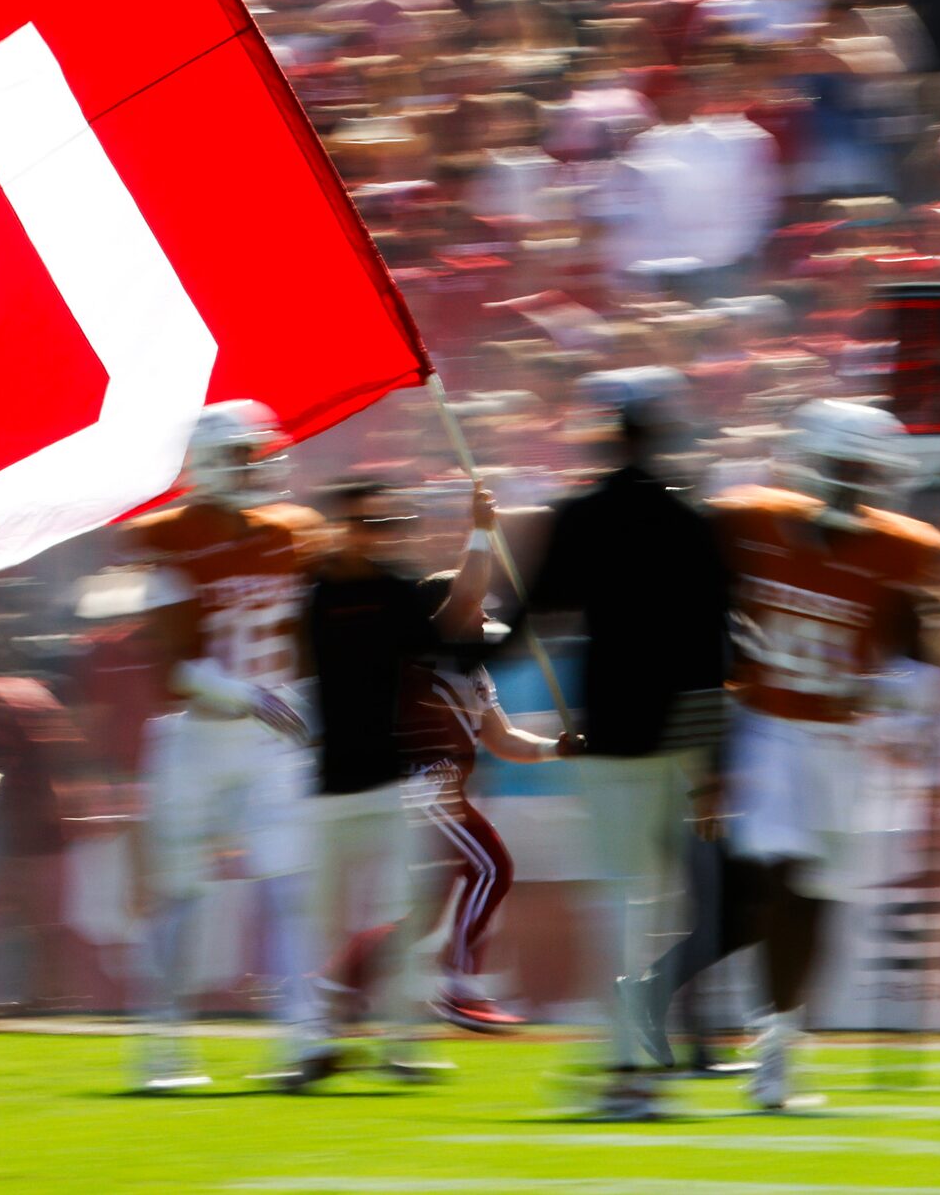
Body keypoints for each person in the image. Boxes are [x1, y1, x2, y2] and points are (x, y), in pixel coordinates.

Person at [708, 397, 940, 1110]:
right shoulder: (745, 522)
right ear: (812, 465)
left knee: (818, 895)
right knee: (779, 880)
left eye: (864, 472)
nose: (851, 486)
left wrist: (913, 692)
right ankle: (773, 1049)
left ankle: (786, 1034)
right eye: (842, 468)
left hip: (849, 740)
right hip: (770, 727)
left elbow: (924, 655)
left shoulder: (906, 549)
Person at [520, 366, 734, 1119]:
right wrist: (714, 768)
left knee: (620, 900)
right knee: (662, 902)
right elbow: (715, 654)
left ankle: (623, 1066)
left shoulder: (579, 515)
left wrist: (457, 651)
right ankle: (639, 1058)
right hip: (680, 741)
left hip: (609, 734)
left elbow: (528, 618)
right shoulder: (694, 523)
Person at [116, 401, 327, 1093]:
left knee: (292, 888)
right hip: (198, 741)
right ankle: (163, 1045)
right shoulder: (172, 539)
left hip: (273, 743)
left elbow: (303, 637)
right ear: (210, 465)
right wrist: (251, 696)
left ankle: (303, 1036)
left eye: (255, 453)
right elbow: (175, 666)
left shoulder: (290, 533)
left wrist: (300, 697)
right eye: (241, 455)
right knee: (184, 896)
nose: (256, 465)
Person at [296, 477, 492, 1084]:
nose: (378, 535)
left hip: (387, 785)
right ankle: (314, 1044)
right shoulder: (311, 596)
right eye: (367, 523)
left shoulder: (392, 592)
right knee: (316, 924)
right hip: (325, 789)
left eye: (386, 524)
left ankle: (401, 1046)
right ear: (341, 525)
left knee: (409, 913)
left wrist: (482, 533)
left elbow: (456, 621)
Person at [329, 627, 574, 1033]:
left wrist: (555, 748)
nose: (482, 620)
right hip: (424, 789)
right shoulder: (417, 661)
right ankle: (459, 985)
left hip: (443, 791)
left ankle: (339, 981)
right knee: (492, 867)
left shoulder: (475, 671)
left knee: (427, 913)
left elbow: (503, 738)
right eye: (474, 611)